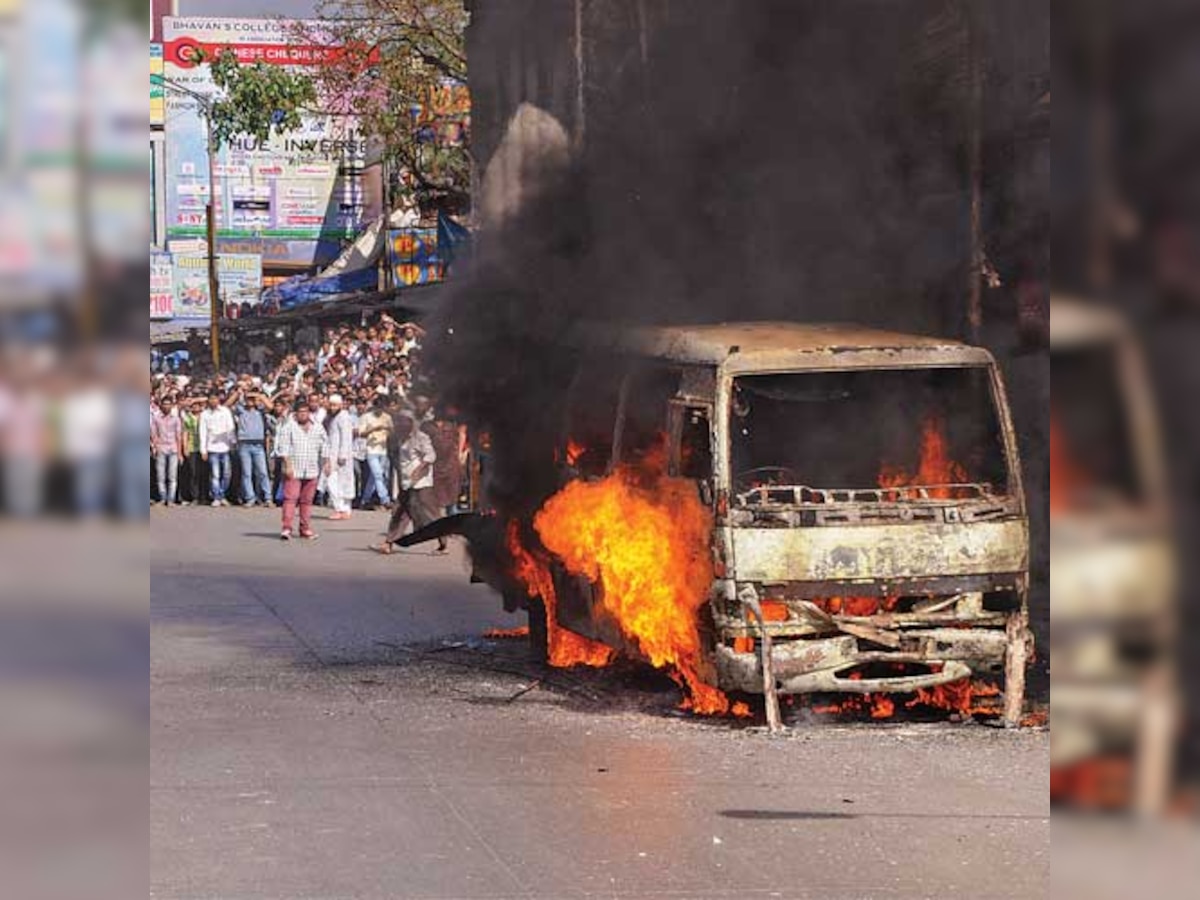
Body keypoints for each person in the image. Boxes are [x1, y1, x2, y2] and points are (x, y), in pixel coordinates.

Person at [372, 411, 438, 555]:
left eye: (404, 422)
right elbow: (395, 457)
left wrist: (419, 470)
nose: (401, 425)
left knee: (428, 515)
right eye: (399, 422)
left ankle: (443, 542)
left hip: (421, 483)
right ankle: (389, 542)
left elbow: (431, 455)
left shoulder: (420, 437)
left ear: (411, 423)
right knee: (399, 512)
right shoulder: (397, 438)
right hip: (406, 481)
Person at [274, 399, 328, 541]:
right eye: (300, 412)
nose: (303, 414)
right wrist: (288, 465)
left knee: (307, 501)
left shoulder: (318, 427)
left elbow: (325, 446)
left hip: (311, 469)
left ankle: (305, 529)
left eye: (305, 411)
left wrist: (327, 463)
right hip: (295, 468)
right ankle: (286, 528)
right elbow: (283, 448)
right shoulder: (289, 427)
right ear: (295, 413)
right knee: (290, 499)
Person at [232, 388, 272, 507]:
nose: (250, 401)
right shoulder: (241, 410)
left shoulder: (260, 410)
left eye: (252, 399)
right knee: (246, 473)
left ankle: (268, 498)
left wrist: (257, 395)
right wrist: (238, 393)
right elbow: (227, 404)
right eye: (248, 399)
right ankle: (250, 498)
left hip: (258, 445)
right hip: (244, 444)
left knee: (263, 472)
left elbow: (270, 406)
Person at [198, 393, 236, 507]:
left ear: (219, 399)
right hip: (212, 448)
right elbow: (202, 432)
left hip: (225, 447)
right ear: (208, 400)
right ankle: (216, 497)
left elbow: (230, 427)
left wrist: (233, 442)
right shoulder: (205, 414)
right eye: (211, 398)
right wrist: (203, 450)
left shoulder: (225, 411)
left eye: (215, 398)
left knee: (227, 474)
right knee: (215, 474)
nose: (213, 400)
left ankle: (222, 494)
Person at [323, 393, 355, 520]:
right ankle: (342, 509)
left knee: (340, 482)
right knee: (334, 482)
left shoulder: (344, 417)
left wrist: (342, 455)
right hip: (332, 454)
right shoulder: (332, 417)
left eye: (335, 405)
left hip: (341, 455)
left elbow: (346, 437)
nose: (332, 407)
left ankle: (343, 509)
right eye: (331, 405)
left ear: (341, 405)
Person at [151, 395, 185, 506]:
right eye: (164, 404)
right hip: (161, 449)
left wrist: (180, 453)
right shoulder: (156, 418)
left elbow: (178, 436)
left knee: (172, 476)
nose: (166, 406)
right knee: (161, 476)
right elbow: (154, 434)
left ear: (171, 405)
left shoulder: (176, 419)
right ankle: (162, 498)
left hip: (173, 449)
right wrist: (155, 448)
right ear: (161, 405)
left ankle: (170, 500)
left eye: (168, 404)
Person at [180, 397, 206, 505]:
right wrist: (185, 447)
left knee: (204, 473)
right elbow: (185, 433)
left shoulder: (204, 417)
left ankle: (203, 496)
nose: (195, 407)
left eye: (197, 406)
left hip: (203, 448)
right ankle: (194, 496)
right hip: (192, 448)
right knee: (193, 472)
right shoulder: (187, 418)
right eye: (193, 406)